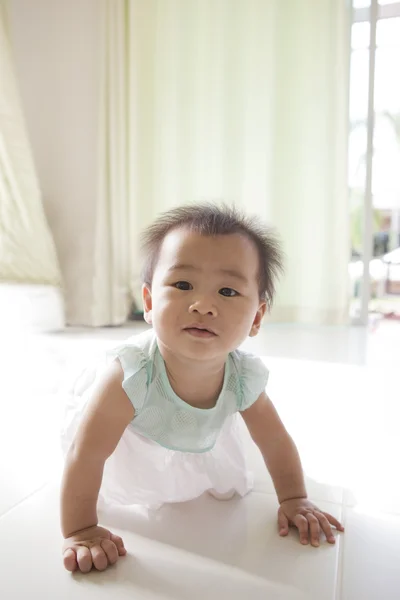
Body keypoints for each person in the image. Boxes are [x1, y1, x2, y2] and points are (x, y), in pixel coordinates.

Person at [60, 204, 344, 574]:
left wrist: (295, 498)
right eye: (182, 285)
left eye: (227, 291)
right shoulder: (130, 376)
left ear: (257, 317)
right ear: (149, 302)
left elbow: (275, 441)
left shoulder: (242, 377)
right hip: (133, 441)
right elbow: (88, 454)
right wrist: (80, 530)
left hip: (197, 435)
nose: (203, 305)